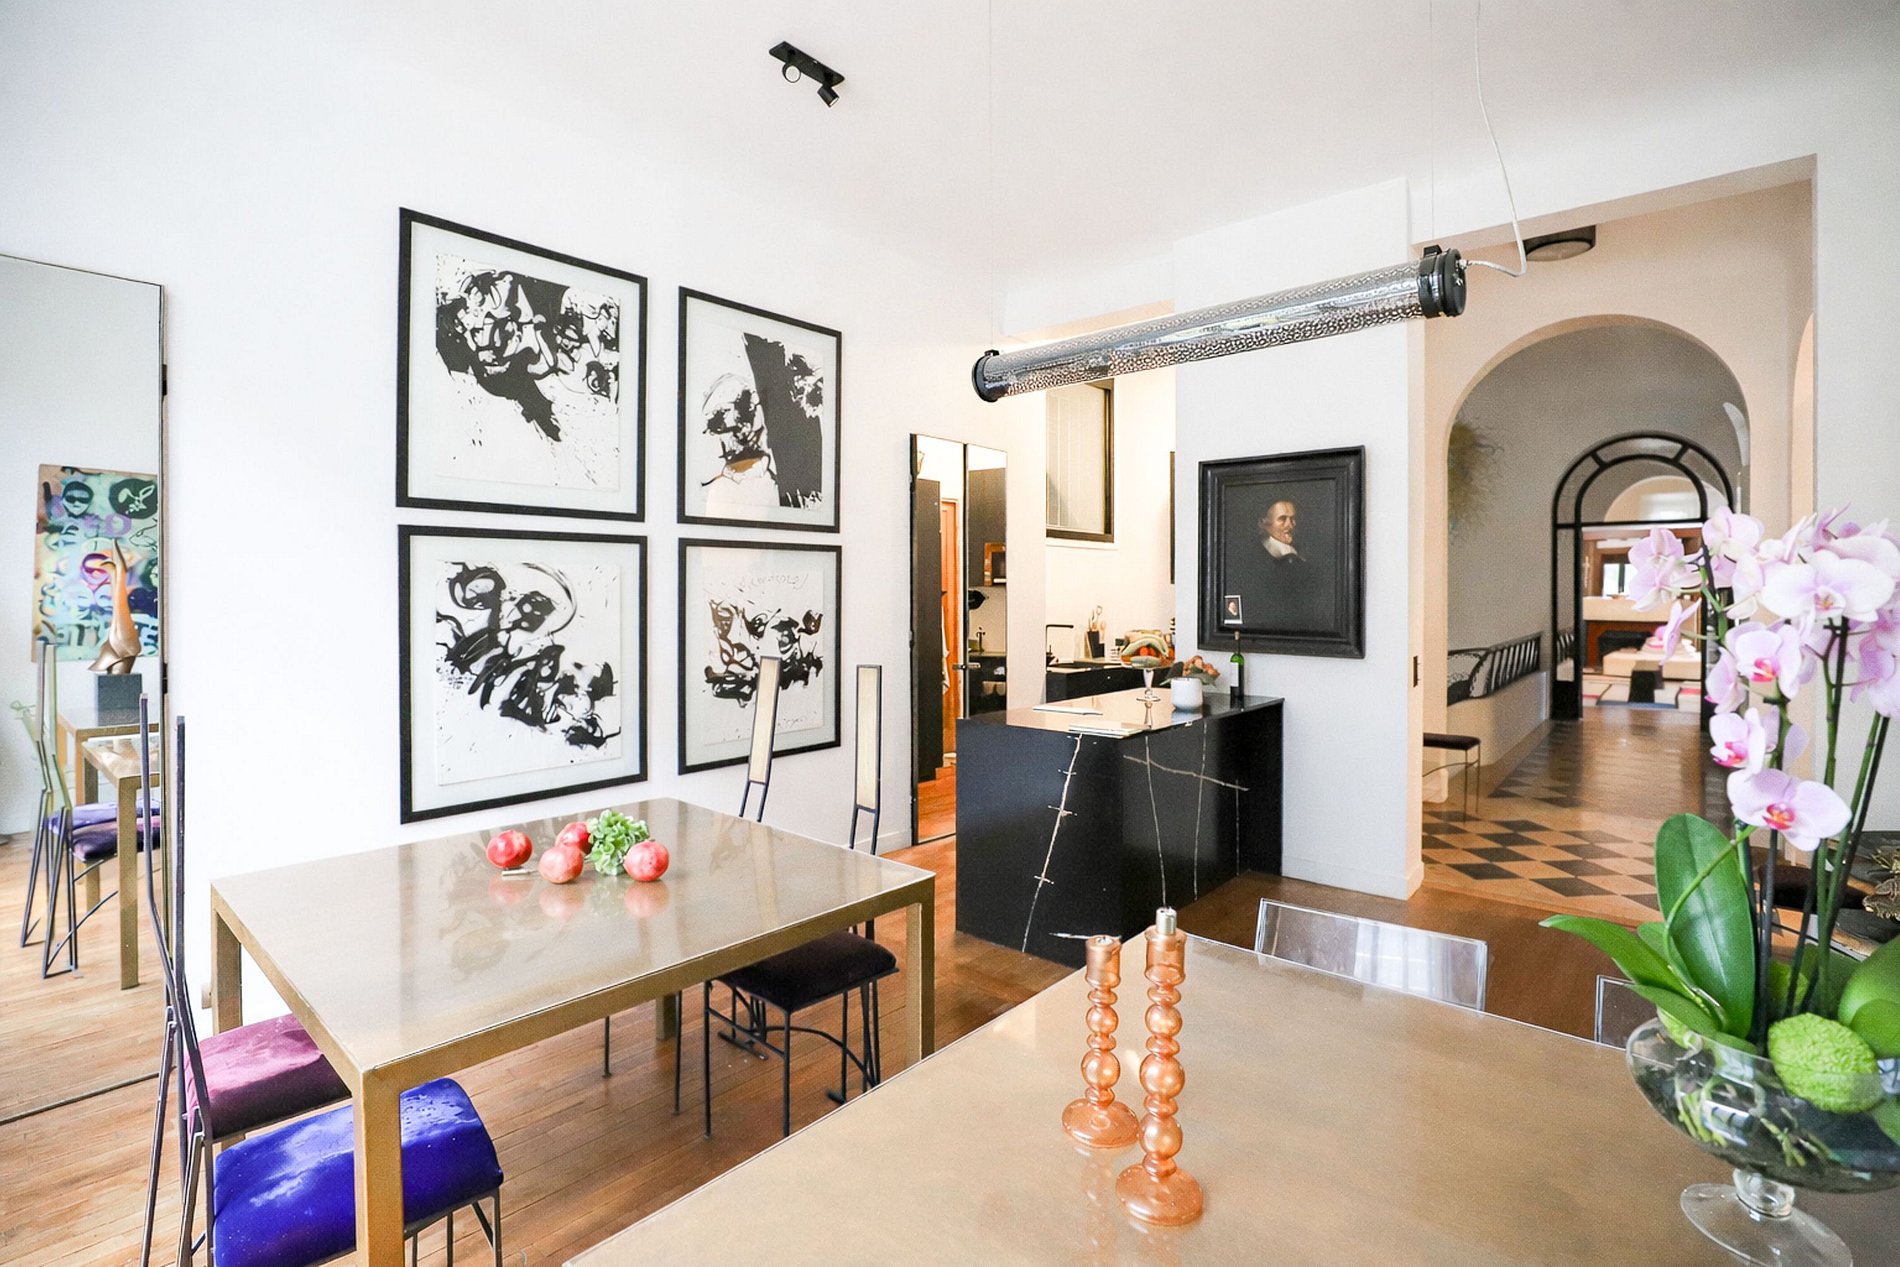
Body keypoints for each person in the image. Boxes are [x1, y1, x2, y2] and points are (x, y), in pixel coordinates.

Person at [1227, 493, 1333, 633]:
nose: (1290, 525)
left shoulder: (1303, 554)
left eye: (1293, 519)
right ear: (1263, 523)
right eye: (1282, 519)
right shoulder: (1252, 559)